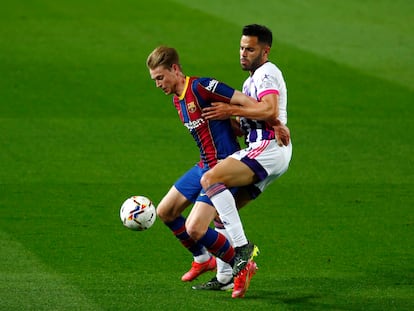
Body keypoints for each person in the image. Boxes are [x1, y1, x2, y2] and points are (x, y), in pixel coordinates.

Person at [146, 45, 287, 298]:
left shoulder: (202, 87)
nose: (157, 84)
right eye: (154, 79)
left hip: (224, 165)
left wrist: (275, 123)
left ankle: (241, 263)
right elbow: (234, 126)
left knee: (196, 229)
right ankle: (203, 259)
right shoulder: (178, 101)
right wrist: (235, 125)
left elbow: (246, 102)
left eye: (160, 77)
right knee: (165, 211)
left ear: (175, 69)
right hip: (204, 164)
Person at [193, 24, 292, 295]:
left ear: (265, 50)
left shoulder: (267, 73)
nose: (243, 53)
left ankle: (242, 250)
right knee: (223, 208)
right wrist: (221, 119)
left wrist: (231, 108)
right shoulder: (250, 81)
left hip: (268, 147)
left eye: (250, 49)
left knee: (211, 178)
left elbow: (269, 108)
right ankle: (225, 277)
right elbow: (248, 123)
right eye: (241, 48)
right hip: (267, 147)